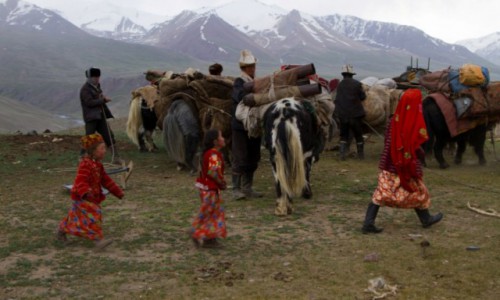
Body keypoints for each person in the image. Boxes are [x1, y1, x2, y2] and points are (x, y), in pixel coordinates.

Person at [361, 89, 443, 234]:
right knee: (414, 190)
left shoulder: (394, 119)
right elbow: (414, 144)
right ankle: (425, 219)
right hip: (404, 163)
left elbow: (391, 140)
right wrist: (419, 154)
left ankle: (425, 218)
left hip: (390, 161)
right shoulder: (413, 122)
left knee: (387, 191)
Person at [57, 133, 124, 249]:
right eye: (102, 148)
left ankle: (62, 230)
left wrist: (117, 192)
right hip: (83, 197)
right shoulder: (85, 164)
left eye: (105, 148)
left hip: (92, 197)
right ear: (93, 151)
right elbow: (80, 180)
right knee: (95, 214)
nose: (104, 151)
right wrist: (86, 192)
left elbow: (106, 180)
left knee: (75, 217)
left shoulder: (98, 165)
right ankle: (98, 240)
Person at [231, 50, 263, 200]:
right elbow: (239, 97)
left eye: (253, 66)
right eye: (250, 66)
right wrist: (254, 94)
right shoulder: (239, 81)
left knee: (253, 156)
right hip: (240, 126)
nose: (252, 68)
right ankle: (236, 189)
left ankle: (247, 187)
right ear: (244, 68)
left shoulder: (254, 81)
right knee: (240, 156)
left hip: (254, 124)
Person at [191, 129, 227, 248]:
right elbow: (213, 172)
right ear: (215, 141)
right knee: (208, 213)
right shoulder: (213, 154)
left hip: (206, 188)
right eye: (221, 137)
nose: (223, 139)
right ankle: (196, 232)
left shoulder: (208, 153)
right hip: (211, 190)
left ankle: (209, 239)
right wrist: (221, 183)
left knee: (212, 214)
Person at [80, 67, 123, 164]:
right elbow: (89, 102)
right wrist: (102, 100)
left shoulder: (96, 87)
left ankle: (116, 158)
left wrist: (102, 98)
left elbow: (97, 99)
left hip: (100, 116)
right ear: (90, 77)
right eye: (95, 77)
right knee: (89, 138)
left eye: (98, 77)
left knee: (109, 136)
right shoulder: (85, 89)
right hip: (91, 118)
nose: (97, 79)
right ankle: (83, 158)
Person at [334, 64, 367, 160]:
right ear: (352, 75)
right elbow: (363, 97)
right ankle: (361, 156)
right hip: (356, 114)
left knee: (343, 135)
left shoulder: (339, 85)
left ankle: (342, 155)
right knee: (358, 135)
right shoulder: (357, 84)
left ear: (343, 75)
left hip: (343, 114)